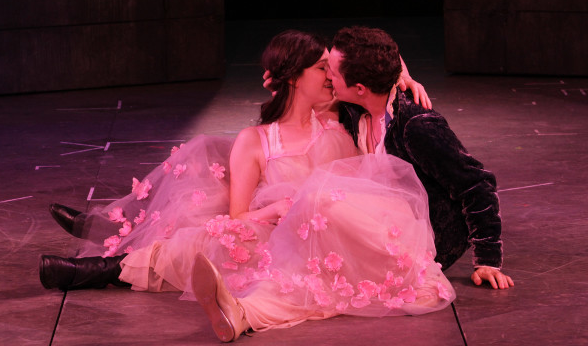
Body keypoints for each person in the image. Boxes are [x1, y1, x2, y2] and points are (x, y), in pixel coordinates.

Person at [41, 30, 455, 342]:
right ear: (295, 78)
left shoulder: (338, 127)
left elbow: (372, 62)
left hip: (322, 235)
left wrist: (406, 77)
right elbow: (241, 213)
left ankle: (107, 256)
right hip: (275, 228)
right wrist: (274, 212)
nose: (330, 76)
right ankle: (97, 256)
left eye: (330, 70)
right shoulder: (257, 140)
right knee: (210, 225)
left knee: (237, 247)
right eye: (320, 70)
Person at [323, 26, 514, 290]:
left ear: (360, 88)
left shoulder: (416, 126)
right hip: (380, 218)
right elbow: (381, 51)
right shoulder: (357, 110)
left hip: (423, 240)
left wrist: (488, 260)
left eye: (332, 72)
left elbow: (477, 185)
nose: (327, 75)